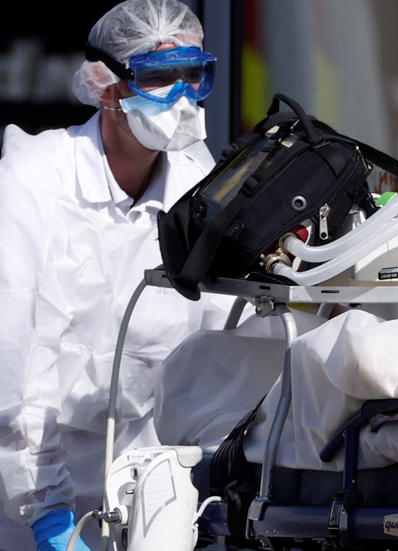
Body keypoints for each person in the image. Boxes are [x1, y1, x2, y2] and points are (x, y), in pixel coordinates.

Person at [0, 1, 232, 549]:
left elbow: (224, 348)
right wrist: (47, 514)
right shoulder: (33, 179)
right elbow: (12, 357)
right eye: (157, 77)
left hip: (150, 488)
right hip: (23, 494)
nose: (180, 97)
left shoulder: (200, 188)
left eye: (193, 75)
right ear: (106, 87)